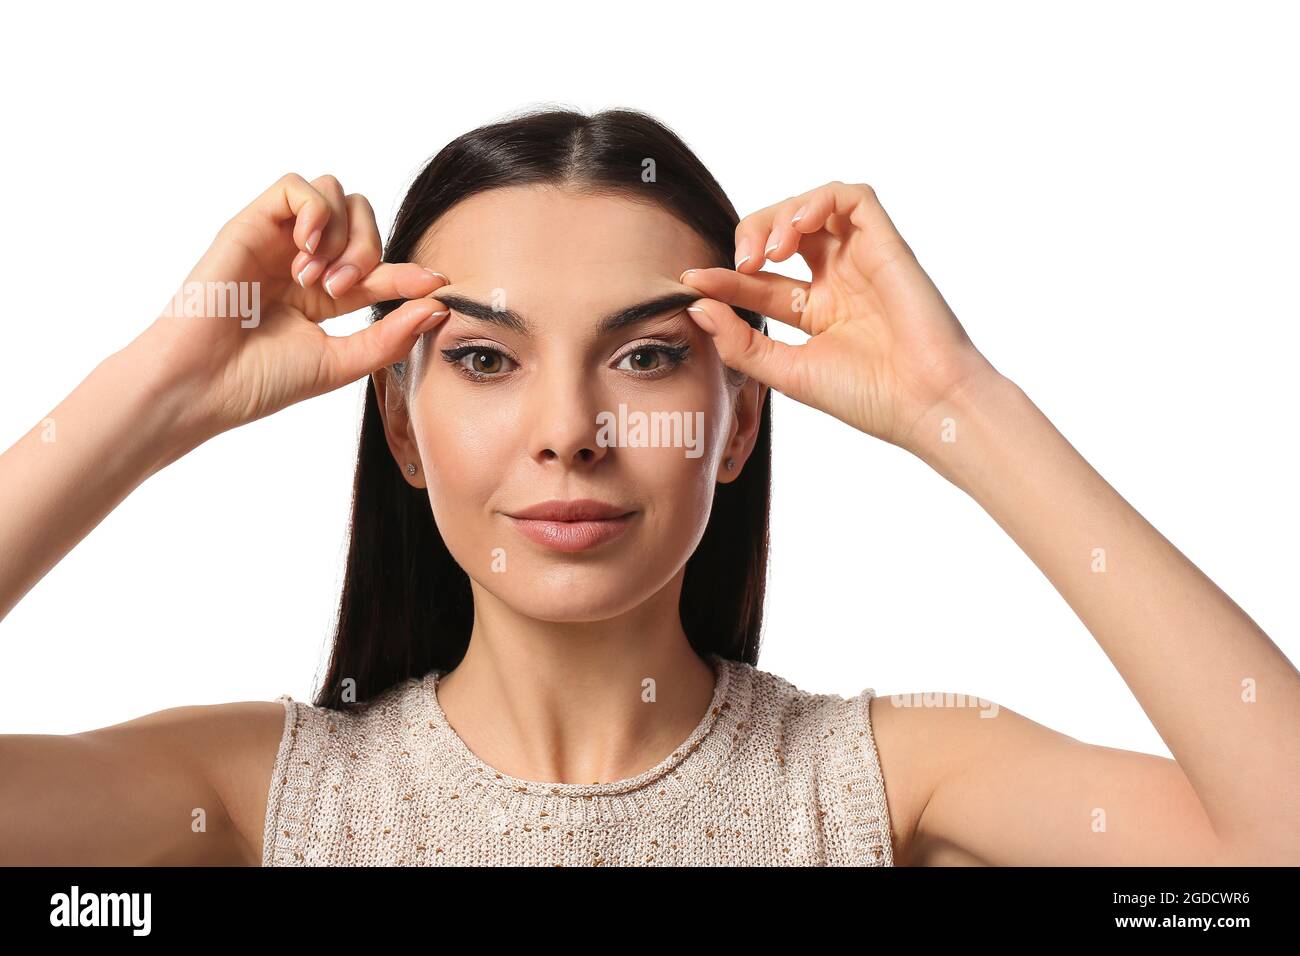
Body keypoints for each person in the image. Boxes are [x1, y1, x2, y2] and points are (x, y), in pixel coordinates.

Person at [1, 107, 1295, 867]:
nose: (570, 431)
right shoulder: (256, 797)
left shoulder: (888, 785)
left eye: (646, 356)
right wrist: (157, 393)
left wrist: (963, 408)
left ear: (737, 425)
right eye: (487, 359)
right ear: (401, 428)